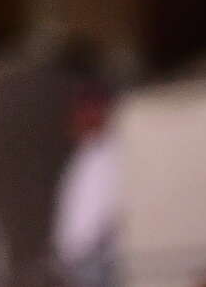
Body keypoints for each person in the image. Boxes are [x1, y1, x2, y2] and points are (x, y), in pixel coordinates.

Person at [52, 89, 122, 287]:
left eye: (83, 111)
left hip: (91, 259)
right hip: (78, 260)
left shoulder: (107, 153)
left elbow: (109, 206)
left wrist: (87, 248)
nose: (75, 118)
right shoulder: (87, 153)